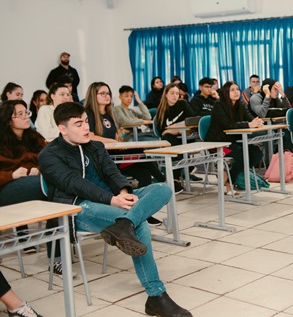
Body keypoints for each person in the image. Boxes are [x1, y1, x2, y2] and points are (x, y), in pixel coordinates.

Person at [38, 102, 192, 317]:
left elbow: (112, 173)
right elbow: (75, 184)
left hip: (111, 200)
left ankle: (124, 224)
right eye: (78, 124)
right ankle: (156, 296)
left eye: (86, 122)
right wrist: (111, 200)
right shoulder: (49, 155)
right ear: (62, 129)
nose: (86, 128)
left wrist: (122, 192)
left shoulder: (95, 146)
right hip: (79, 208)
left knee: (162, 189)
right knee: (140, 227)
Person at [85, 83, 174, 221]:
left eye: (108, 93)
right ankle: (164, 179)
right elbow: (90, 136)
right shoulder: (88, 114)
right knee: (141, 152)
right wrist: (113, 143)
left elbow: (116, 136)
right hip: (104, 160)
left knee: (144, 172)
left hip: (115, 155)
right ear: (93, 95)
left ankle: (142, 213)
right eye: (102, 93)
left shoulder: (109, 114)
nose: (106, 96)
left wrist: (117, 143)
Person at [0, 100, 48, 256]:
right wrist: (11, 175)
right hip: (7, 187)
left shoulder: (34, 137)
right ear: (8, 120)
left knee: (57, 187)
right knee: (54, 185)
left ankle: (59, 245)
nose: (26, 117)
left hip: (34, 182)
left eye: (26, 112)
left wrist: (40, 169)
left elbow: (51, 159)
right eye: (20, 114)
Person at [205, 81, 264, 188]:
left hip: (233, 140)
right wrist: (249, 124)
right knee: (241, 155)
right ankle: (229, 183)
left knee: (256, 153)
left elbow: (249, 118)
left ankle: (232, 174)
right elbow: (227, 125)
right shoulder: (219, 105)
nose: (236, 92)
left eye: (237, 89)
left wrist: (257, 122)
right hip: (218, 142)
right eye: (232, 90)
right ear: (226, 93)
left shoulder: (240, 104)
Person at [250, 78, 293, 153]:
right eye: (275, 89)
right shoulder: (255, 98)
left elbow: (289, 111)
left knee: (288, 133)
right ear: (268, 89)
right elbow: (262, 114)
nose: (277, 91)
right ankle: (270, 161)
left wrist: (283, 95)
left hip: (273, 126)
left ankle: (287, 160)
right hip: (259, 128)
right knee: (272, 134)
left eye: (278, 89)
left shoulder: (275, 99)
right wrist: (267, 95)